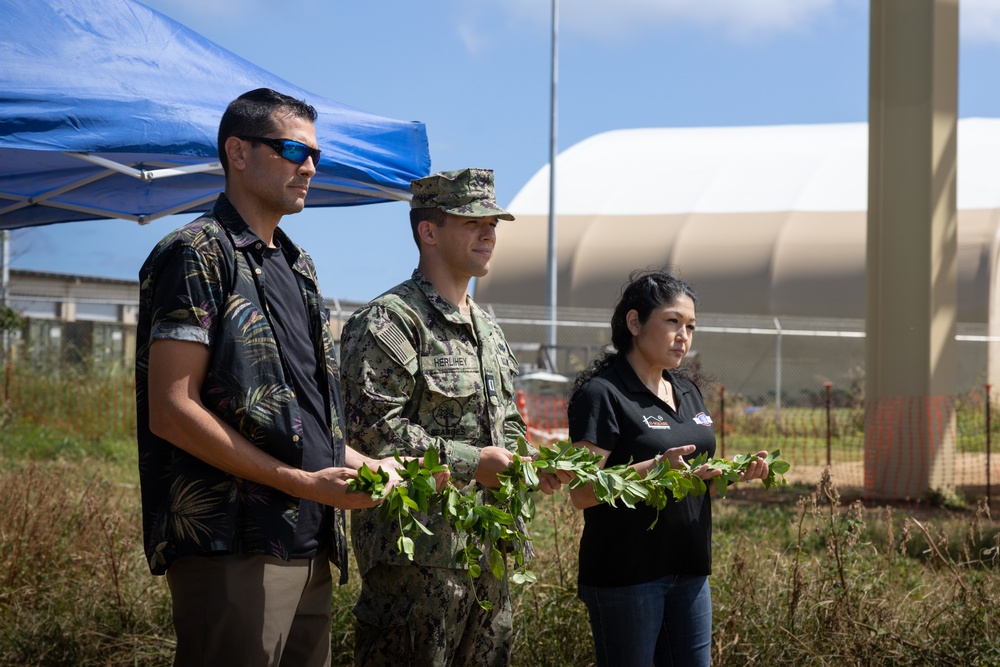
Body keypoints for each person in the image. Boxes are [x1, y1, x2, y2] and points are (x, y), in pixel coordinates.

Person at [135, 88, 406, 667]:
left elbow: (302, 415)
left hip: (309, 541)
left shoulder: (298, 265)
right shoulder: (197, 253)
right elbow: (172, 409)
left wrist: (364, 466)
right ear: (238, 152)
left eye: (315, 155)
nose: (308, 166)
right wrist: (298, 482)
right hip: (233, 541)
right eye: (291, 149)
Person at [339, 168, 570, 666]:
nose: (488, 233)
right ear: (428, 231)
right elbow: (373, 434)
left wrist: (527, 465)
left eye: (493, 223)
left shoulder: (488, 327)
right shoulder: (389, 321)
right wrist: (472, 463)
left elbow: (507, 420)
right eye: (472, 222)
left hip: (487, 556)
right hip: (416, 564)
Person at [567, 270, 770, 667]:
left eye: (691, 326)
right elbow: (581, 492)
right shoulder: (603, 395)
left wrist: (731, 474)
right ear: (634, 322)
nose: (684, 335)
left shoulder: (688, 391)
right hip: (627, 577)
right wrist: (653, 468)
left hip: (690, 572)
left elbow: (694, 479)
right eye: (673, 321)